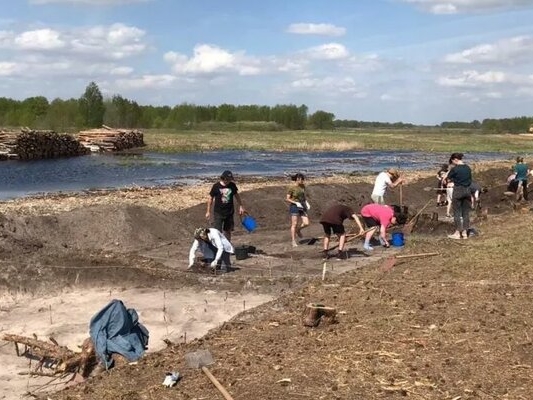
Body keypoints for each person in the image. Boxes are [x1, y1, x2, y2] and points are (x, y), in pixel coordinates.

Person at [206, 170, 245, 242]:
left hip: (229, 212)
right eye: (228, 179)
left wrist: (241, 206)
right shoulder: (216, 186)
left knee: (228, 231)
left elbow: (237, 196)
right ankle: (218, 247)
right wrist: (208, 211)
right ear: (224, 178)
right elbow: (210, 198)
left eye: (230, 179)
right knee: (217, 231)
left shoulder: (232, 185)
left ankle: (227, 247)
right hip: (218, 212)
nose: (229, 181)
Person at [446, 153, 472, 239]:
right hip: (467, 190)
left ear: (455, 159)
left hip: (458, 190)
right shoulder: (468, 168)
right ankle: (465, 232)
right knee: (466, 212)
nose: (453, 163)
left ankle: (457, 232)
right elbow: (470, 179)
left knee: (457, 212)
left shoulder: (455, 169)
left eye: (453, 161)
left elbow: (448, 179)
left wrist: (452, 180)